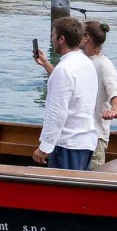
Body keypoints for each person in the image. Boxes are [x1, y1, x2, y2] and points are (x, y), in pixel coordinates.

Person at [32, 16, 101, 171]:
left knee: (62, 193)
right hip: (86, 141)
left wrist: (45, 147)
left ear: (61, 39)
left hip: (67, 144)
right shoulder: (86, 63)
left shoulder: (64, 69)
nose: (51, 40)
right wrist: (45, 63)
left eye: (53, 36)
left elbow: (57, 113)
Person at [83, 20, 117, 170]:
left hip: (95, 135)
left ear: (86, 37)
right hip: (81, 132)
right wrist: (46, 64)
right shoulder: (82, 61)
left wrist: (113, 110)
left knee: (91, 178)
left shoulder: (104, 65)